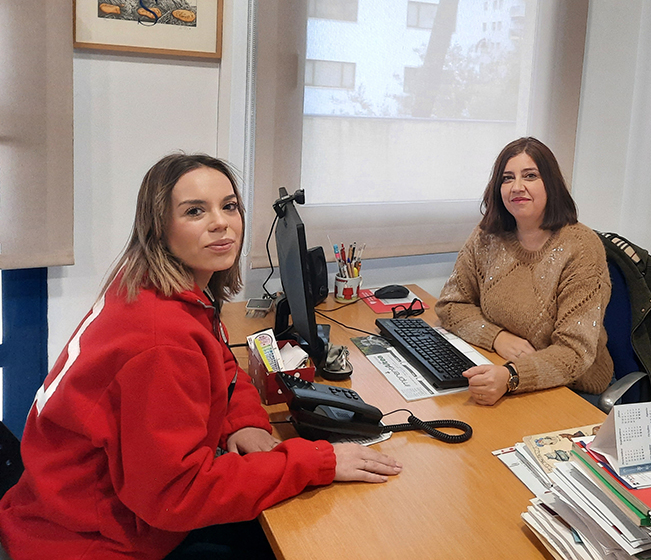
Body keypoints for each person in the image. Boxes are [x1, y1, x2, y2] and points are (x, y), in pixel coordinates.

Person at [0, 153, 401, 560]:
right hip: (91, 541)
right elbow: (176, 494)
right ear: (159, 228)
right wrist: (317, 462)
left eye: (229, 206)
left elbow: (222, 364)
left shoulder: (160, 287)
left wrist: (241, 423)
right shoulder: (161, 341)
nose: (220, 222)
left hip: (83, 509)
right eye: (195, 211)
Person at [435, 137, 612, 407]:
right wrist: (496, 337)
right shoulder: (487, 236)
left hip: (570, 386)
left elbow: (574, 353)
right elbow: (451, 304)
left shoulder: (582, 248)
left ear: (551, 184)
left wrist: (512, 376)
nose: (517, 187)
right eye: (507, 178)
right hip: (499, 366)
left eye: (530, 176)